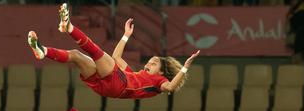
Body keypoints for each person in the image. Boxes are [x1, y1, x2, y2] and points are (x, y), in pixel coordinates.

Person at [27, 5, 200, 99]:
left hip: (119, 85)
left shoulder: (158, 81)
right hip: (109, 87)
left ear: (161, 71)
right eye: (150, 60)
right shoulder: (135, 75)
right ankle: (43, 51)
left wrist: (185, 68)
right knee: (75, 55)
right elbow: (117, 57)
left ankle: (69, 27)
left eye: (154, 63)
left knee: (97, 53)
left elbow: (170, 87)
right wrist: (125, 36)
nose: (149, 63)